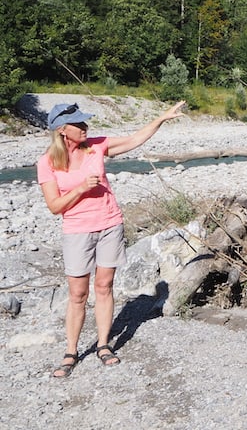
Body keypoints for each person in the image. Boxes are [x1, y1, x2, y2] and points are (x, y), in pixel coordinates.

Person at [37, 100, 186, 378]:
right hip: (78, 231)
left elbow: (134, 139)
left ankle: (103, 345)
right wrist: (81, 188)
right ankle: (71, 352)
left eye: (84, 122)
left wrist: (161, 119)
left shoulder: (96, 145)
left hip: (109, 225)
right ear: (61, 130)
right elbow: (55, 206)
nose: (85, 127)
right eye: (78, 124)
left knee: (104, 287)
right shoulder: (47, 163)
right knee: (78, 294)